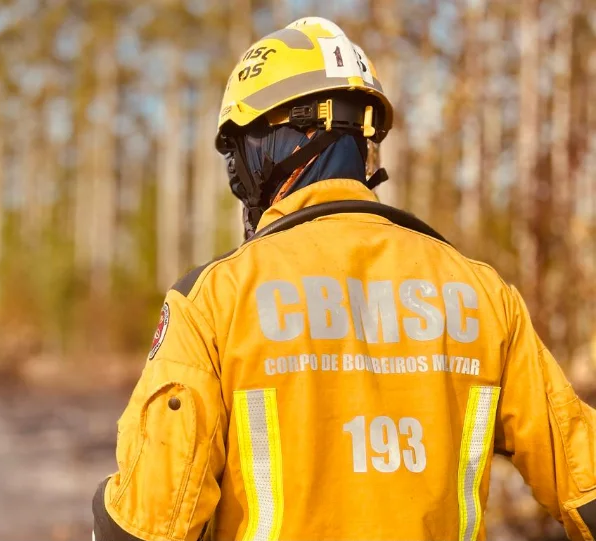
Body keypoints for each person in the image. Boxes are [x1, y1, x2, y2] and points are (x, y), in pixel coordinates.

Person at [92, 16, 596, 541]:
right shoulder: (483, 294)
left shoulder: (215, 300)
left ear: (279, 137)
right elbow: (586, 483)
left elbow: (149, 522)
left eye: (238, 148)